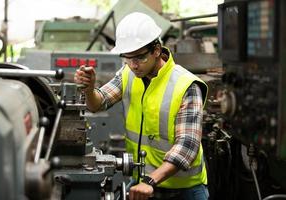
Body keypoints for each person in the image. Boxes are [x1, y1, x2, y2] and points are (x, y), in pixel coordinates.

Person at [74, 12, 209, 200]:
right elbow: (99, 102)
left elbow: (187, 146)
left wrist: (150, 181)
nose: (133, 65)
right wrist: (89, 89)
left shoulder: (186, 85)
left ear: (156, 50)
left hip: (184, 190)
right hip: (143, 185)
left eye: (139, 58)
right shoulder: (128, 74)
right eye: (127, 58)